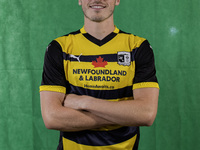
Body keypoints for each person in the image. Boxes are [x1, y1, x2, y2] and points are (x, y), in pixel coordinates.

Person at [40, 0, 159, 149]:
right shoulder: (59, 48)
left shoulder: (138, 47)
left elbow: (146, 114)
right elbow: (52, 118)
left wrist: (84, 102)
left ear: (117, 0)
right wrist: (124, 115)